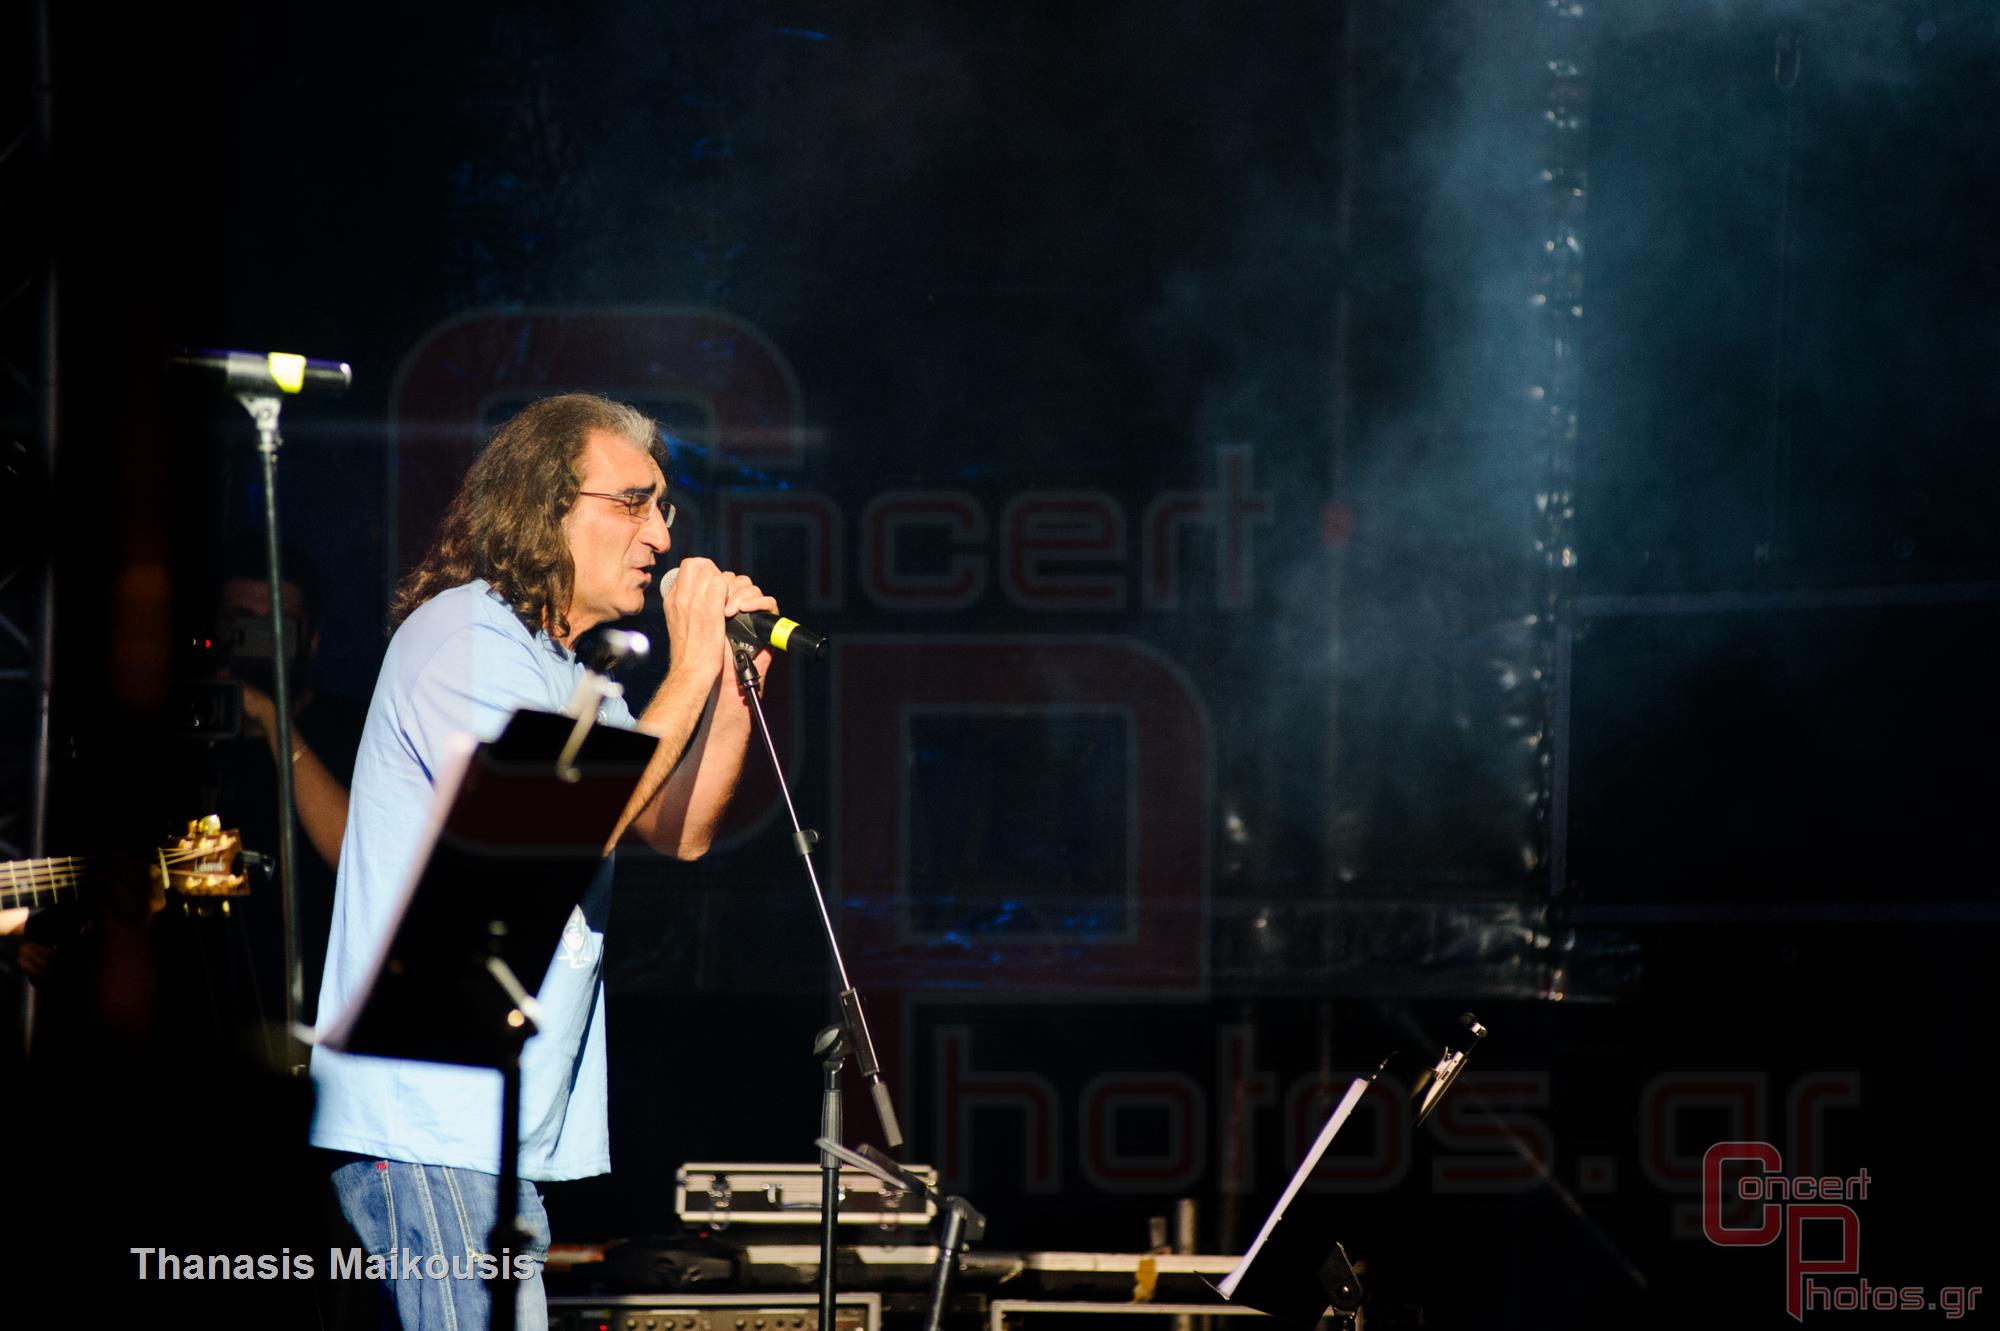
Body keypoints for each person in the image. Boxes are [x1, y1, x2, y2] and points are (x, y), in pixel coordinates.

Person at [308, 393, 775, 1331]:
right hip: (427, 1112)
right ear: (544, 506)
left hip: (487, 1125)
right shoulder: (464, 636)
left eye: (664, 508)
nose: (661, 533)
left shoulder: (568, 673)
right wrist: (686, 668)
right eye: (633, 502)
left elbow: (678, 828)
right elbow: (558, 825)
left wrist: (733, 683)